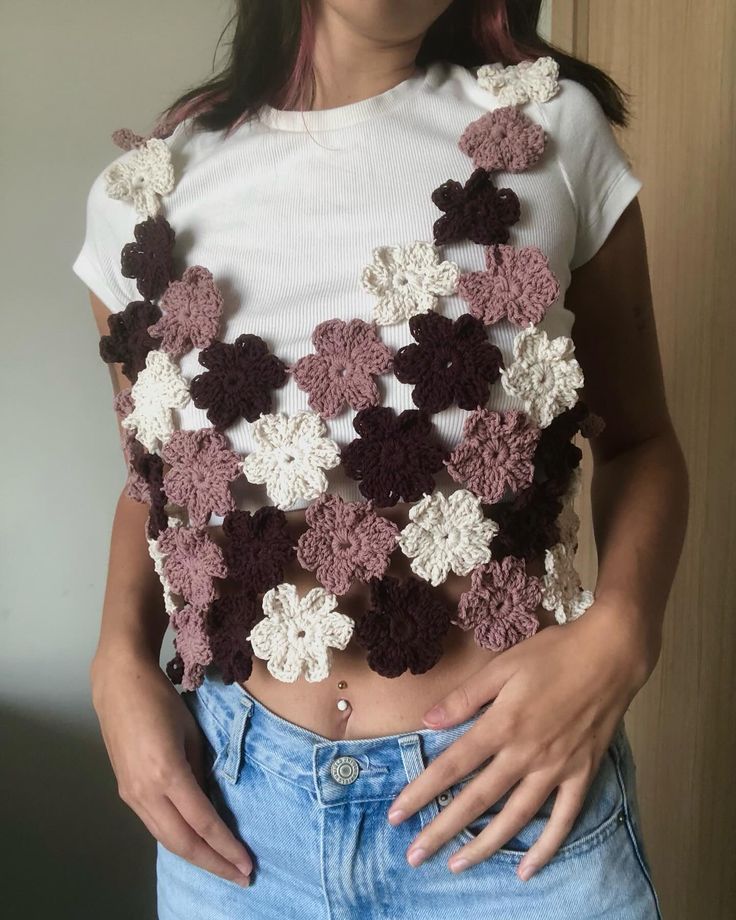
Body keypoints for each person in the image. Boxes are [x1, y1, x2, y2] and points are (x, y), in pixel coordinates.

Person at [72, 1, 688, 917]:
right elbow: (156, 484)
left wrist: (625, 634)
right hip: (240, 827)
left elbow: (640, 442)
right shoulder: (144, 196)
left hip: (511, 816)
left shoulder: (551, 132)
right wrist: (117, 661)